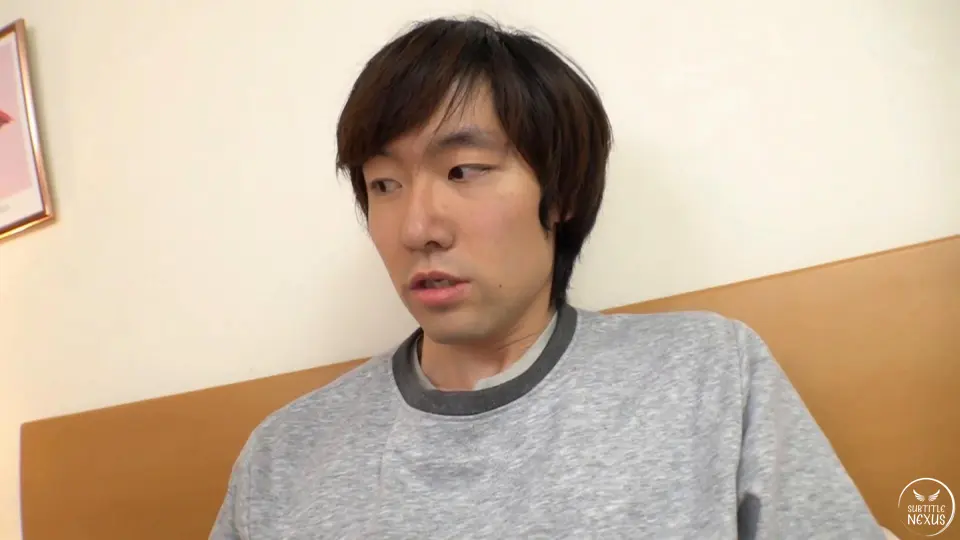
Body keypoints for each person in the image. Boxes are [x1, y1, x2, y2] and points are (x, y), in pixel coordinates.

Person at [210, 16, 886, 539]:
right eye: (384, 183)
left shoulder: (707, 375)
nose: (416, 227)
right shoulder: (284, 457)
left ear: (559, 194)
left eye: (463, 171)